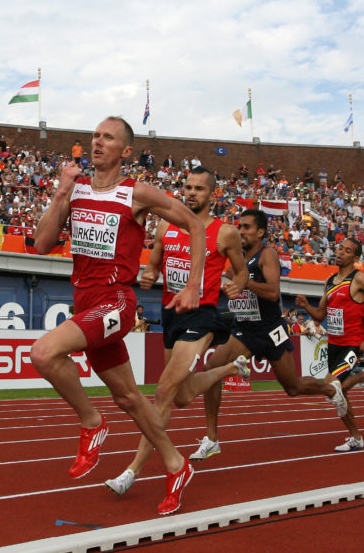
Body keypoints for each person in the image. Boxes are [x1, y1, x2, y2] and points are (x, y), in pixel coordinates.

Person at [29, 116, 201, 516]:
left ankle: (92, 422)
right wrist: (61, 191)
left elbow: (194, 224)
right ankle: (176, 465)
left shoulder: (136, 193)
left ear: (125, 151)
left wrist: (192, 284)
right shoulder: (76, 190)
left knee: (43, 353)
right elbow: (40, 245)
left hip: (118, 302)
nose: (97, 142)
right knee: (129, 397)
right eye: (95, 135)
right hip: (85, 302)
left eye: (108, 137)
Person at [104, 166, 250, 497]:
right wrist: (149, 275)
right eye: (188, 187)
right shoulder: (166, 225)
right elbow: (154, 265)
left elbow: (240, 273)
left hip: (202, 315)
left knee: (164, 391)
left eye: (199, 188)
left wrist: (236, 286)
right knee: (182, 396)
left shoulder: (224, 233)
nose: (191, 193)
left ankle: (132, 471)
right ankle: (229, 369)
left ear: (211, 193)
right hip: (170, 314)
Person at [192, 209, 351, 457]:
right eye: (239, 227)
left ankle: (331, 390)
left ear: (260, 232)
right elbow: (232, 286)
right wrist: (231, 289)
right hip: (245, 329)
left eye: (246, 227)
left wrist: (243, 283)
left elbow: (273, 293)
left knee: (293, 387)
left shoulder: (267, 255)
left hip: (271, 330)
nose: (240, 231)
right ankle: (212, 438)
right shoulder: (236, 260)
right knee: (211, 368)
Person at [296, 236, 364, 452]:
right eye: (340, 248)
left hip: (353, 342)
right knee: (340, 394)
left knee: (331, 385)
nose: (340, 252)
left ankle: (362, 376)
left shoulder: (359, 279)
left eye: (347, 251)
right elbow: (320, 316)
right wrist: (306, 306)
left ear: (355, 258)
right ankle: (356, 436)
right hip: (334, 344)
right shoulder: (329, 282)